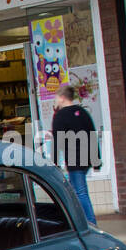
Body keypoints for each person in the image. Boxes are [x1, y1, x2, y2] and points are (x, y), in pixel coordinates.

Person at [50, 84, 99, 225]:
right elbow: (92, 134)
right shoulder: (82, 112)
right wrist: (96, 160)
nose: (56, 100)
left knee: (80, 192)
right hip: (86, 157)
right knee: (74, 191)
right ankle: (78, 221)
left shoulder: (60, 115)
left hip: (74, 158)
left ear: (62, 98)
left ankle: (91, 223)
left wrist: (55, 162)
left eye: (57, 97)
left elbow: (57, 140)